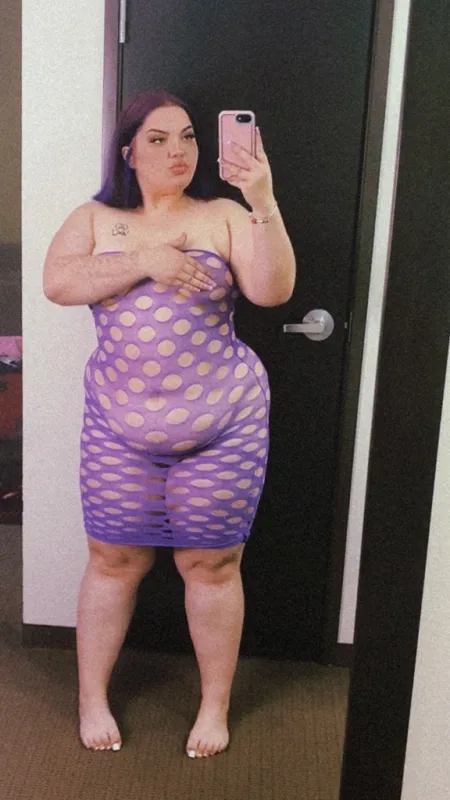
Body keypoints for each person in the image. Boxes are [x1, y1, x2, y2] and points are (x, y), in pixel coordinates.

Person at [43, 90, 296, 759]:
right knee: (113, 560)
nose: (178, 150)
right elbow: (57, 283)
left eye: (187, 136)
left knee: (211, 564)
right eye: (158, 139)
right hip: (117, 428)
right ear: (129, 150)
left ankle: (214, 707)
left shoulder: (223, 214)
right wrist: (143, 260)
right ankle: (92, 697)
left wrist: (262, 199)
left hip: (224, 425)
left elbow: (273, 291)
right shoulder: (95, 218)